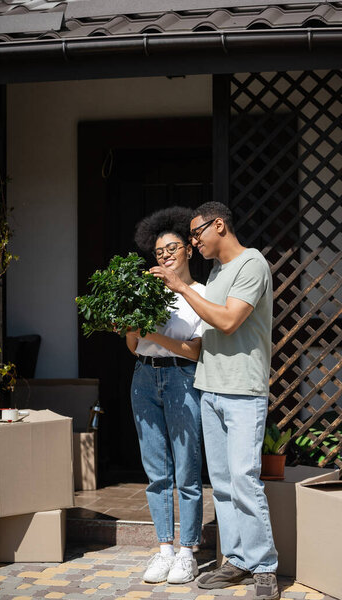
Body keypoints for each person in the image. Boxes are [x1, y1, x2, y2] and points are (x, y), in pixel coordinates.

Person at [150, 201, 280, 600]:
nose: (193, 242)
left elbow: (227, 321)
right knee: (222, 483)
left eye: (196, 234)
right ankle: (237, 559)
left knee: (244, 479)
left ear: (218, 225)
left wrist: (182, 287)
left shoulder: (251, 265)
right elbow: (205, 339)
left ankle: (265, 566)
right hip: (211, 387)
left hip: (242, 389)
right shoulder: (218, 273)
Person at [124, 206, 205, 585]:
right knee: (157, 473)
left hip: (181, 379)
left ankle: (188, 551)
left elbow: (195, 351)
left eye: (172, 248)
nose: (166, 256)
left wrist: (152, 334)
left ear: (188, 249)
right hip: (143, 379)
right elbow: (133, 346)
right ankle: (165, 550)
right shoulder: (144, 291)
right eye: (159, 253)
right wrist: (130, 327)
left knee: (187, 472)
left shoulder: (201, 294)